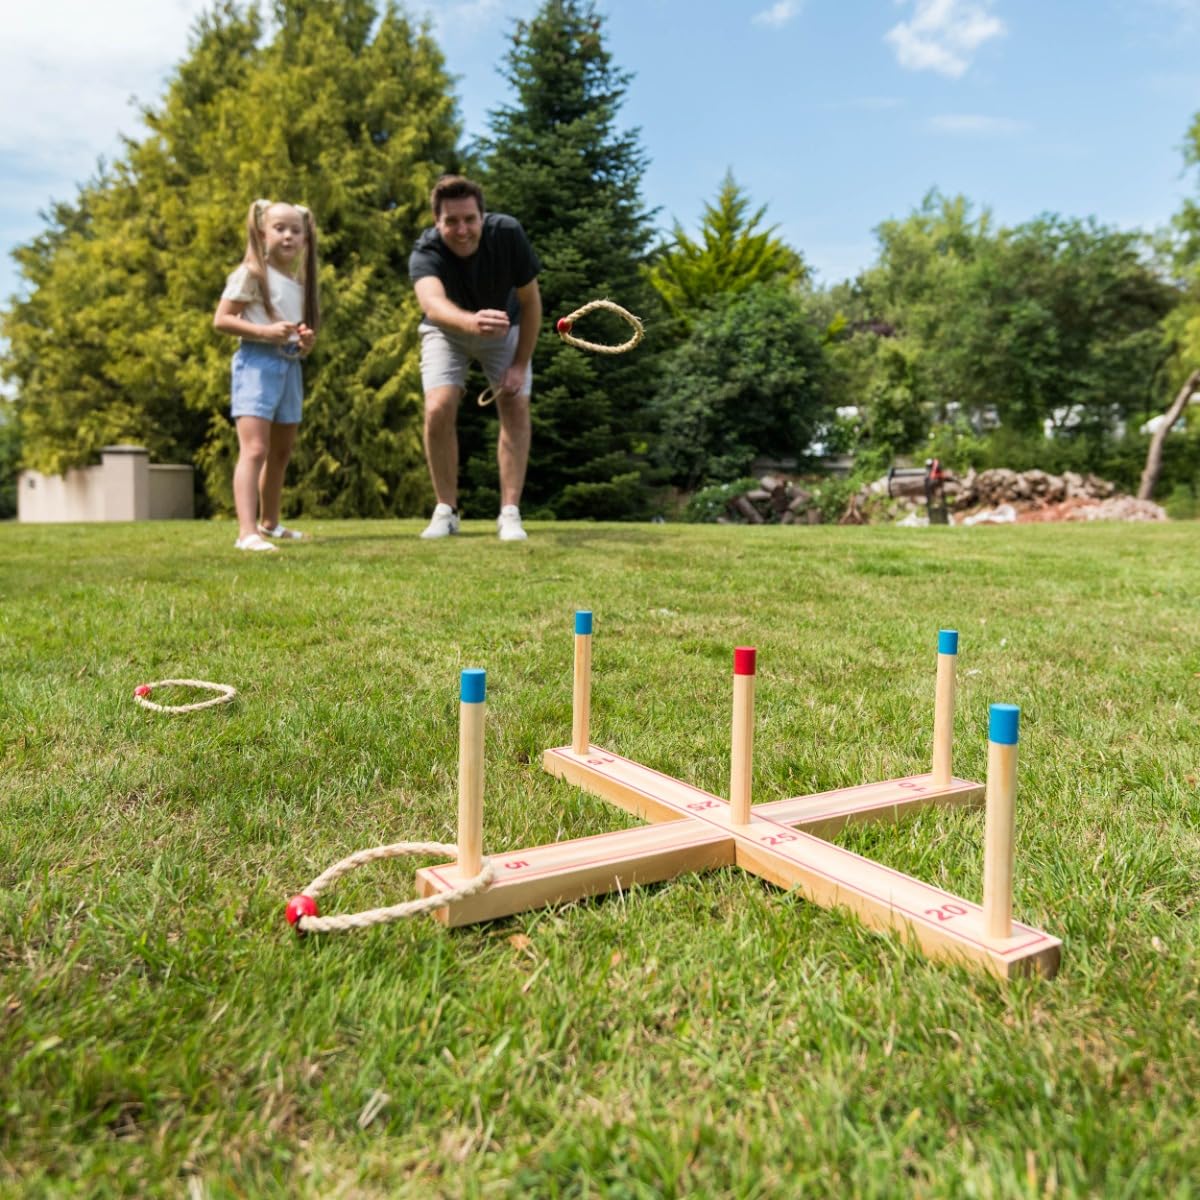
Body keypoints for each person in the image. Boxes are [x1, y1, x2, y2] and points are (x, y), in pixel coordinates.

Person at [409, 175, 542, 541]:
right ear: (438, 223)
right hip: (447, 331)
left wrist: (518, 364)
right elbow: (432, 306)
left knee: (516, 404)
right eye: (451, 221)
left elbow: (532, 305)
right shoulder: (426, 251)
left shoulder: (508, 234)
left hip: (505, 328)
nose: (462, 229)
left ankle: (510, 513)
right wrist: (470, 321)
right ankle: (446, 511)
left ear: (483, 216)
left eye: (469, 219)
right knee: (438, 406)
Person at [213, 199, 319, 552]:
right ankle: (246, 532)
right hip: (257, 365)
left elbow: (294, 332)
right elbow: (223, 320)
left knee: (281, 451)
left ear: (305, 238)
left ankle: (269, 524)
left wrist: (304, 342)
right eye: (280, 228)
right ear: (262, 233)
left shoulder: (298, 282)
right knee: (255, 448)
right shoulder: (251, 273)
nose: (288, 236)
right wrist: (266, 332)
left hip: (289, 365)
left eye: (295, 230)